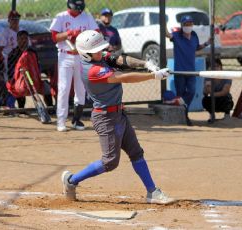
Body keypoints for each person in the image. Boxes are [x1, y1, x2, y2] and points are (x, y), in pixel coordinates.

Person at [60, 30, 175, 204]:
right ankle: (71, 181)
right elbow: (124, 77)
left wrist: (147, 63)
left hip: (119, 114)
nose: (101, 53)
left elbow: (120, 59)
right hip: (105, 118)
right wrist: (153, 76)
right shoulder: (92, 70)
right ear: (86, 54)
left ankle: (153, 192)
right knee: (110, 162)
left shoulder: (97, 57)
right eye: (96, 51)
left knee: (136, 152)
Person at [49, 0, 99, 132]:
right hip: (65, 55)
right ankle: (61, 121)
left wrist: (84, 37)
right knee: (64, 88)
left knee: (81, 89)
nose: (79, 11)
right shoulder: (61, 17)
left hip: (82, 55)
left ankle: (77, 120)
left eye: (80, 9)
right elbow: (54, 37)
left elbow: (96, 33)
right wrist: (69, 33)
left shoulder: (87, 17)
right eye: (76, 9)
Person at [166, 15, 211, 126]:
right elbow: (167, 34)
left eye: (190, 24)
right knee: (180, 93)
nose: (188, 26)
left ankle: (184, 109)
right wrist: (163, 22)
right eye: (186, 24)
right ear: (182, 25)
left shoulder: (194, 35)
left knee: (191, 91)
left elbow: (197, 47)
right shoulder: (177, 35)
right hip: (180, 71)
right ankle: (185, 117)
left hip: (191, 71)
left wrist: (207, 43)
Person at [202, 59, 234, 123]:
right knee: (205, 100)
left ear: (221, 67)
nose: (215, 68)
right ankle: (212, 115)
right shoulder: (208, 77)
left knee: (228, 99)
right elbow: (206, 92)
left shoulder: (227, 76)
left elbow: (225, 91)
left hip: (223, 99)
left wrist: (212, 94)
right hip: (213, 98)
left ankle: (227, 115)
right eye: (213, 66)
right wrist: (207, 89)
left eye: (217, 66)